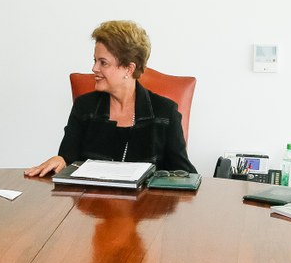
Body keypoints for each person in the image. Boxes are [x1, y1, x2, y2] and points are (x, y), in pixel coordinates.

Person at [25, 20, 196, 176]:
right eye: (95, 60)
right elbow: (68, 159)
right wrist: (60, 160)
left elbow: (184, 175)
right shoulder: (84, 107)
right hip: (90, 207)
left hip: (145, 208)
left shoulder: (165, 112)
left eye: (103, 62)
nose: (94, 68)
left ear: (129, 69)